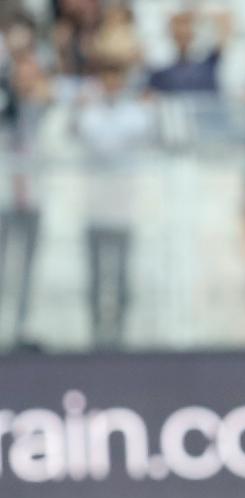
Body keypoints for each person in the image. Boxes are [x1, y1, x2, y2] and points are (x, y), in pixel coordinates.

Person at [76, 59, 154, 348]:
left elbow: (123, 138)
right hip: (94, 206)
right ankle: (96, 333)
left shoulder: (133, 112)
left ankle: (120, 333)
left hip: (123, 207)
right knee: (95, 276)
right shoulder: (91, 111)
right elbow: (98, 141)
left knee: (121, 275)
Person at [0, 37, 50, 346]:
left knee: (28, 269)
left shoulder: (44, 109)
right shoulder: (6, 108)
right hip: (5, 201)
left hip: (33, 200)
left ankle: (22, 327)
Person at [147, 7, 234, 95]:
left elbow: (225, 23)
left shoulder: (208, 64)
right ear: (172, 32)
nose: (183, 31)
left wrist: (200, 13)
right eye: (178, 27)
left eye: (186, 26)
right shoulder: (160, 73)